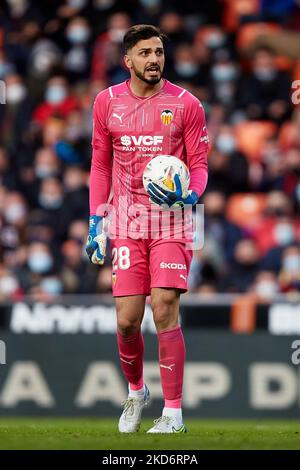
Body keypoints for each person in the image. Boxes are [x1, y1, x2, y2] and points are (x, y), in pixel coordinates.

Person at [86, 24, 209, 434]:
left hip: (171, 220)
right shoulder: (106, 103)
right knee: (126, 320)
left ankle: (173, 414)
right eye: (145, 53)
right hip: (124, 220)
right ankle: (136, 392)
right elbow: (101, 164)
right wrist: (95, 221)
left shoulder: (187, 103)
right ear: (128, 60)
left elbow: (201, 164)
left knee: (164, 307)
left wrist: (191, 194)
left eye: (158, 52)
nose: (154, 59)